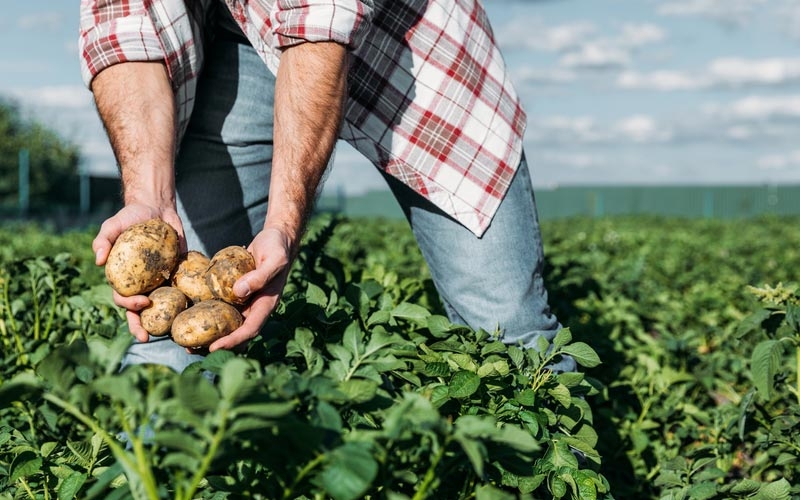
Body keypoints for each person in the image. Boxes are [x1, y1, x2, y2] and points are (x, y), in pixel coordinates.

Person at [79, 0, 575, 374]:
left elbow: (319, 26)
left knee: (508, 328)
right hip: (233, 37)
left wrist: (283, 226)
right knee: (169, 329)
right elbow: (123, 30)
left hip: (407, 42)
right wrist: (149, 197)